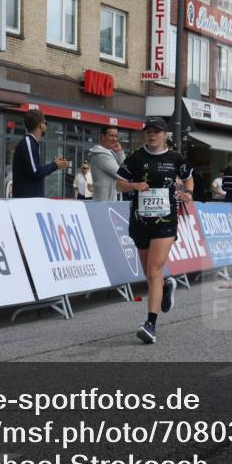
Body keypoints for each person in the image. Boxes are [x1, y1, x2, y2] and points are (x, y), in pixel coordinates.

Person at [115, 118, 194, 344]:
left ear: (165, 135)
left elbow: (188, 179)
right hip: (140, 220)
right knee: (150, 275)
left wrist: (188, 193)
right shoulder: (136, 158)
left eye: (157, 132)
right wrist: (134, 186)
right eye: (149, 131)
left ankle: (150, 324)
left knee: (153, 270)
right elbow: (119, 184)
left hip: (165, 220)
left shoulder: (175, 159)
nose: (152, 135)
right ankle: (167, 285)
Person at [11, 108, 68, 198]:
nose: (46, 125)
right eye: (45, 122)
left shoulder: (31, 143)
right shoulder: (28, 143)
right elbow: (36, 171)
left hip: (31, 201)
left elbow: (36, 170)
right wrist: (55, 165)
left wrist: (55, 164)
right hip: (26, 202)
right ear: (41, 124)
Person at [89, 126, 126, 202]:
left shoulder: (111, 153)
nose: (115, 139)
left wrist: (119, 152)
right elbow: (123, 174)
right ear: (103, 136)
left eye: (116, 136)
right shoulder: (101, 155)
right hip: (104, 203)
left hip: (109, 201)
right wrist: (120, 153)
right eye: (111, 136)